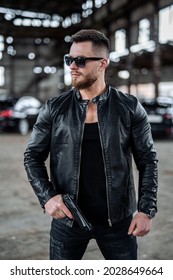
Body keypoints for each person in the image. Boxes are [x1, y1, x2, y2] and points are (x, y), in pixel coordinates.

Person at [24, 29, 158, 260]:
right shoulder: (54, 108)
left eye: (81, 60)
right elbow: (32, 156)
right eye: (69, 59)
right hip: (68, 220)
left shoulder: (129, 107)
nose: (72, 66)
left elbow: (147, 160)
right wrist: (47, 197)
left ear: (102, 63)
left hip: (118, 222)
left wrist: (146, 209)